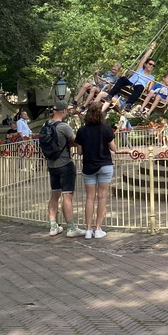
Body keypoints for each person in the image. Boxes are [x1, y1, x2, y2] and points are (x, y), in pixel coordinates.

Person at [74, 102, 117, 239]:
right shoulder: (106, 128)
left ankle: (88, 230)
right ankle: (98, 229)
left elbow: (79, 152)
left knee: (89, 198)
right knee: (102, 197)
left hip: (89, 166)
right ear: (101, 114)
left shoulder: (82, 130)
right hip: (104, 164)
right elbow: (113, 148)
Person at [44, 101, 85, 238]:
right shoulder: (64, 127)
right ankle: (71, 228)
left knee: (54, 195)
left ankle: (53, 226)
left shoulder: (46, 125)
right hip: (65, 164)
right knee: (67, 196)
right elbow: (76, 140)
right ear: (62, 111)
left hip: (51, 165)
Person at [105, 43, 157, 111]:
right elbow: (144, 58)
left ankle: (129, 104)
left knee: (141, 87)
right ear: (145, 64)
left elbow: (149, 89)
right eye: (150, 64)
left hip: (138, 86)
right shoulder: (140, 69)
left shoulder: (151, 77)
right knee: (123, 79)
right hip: (130, 82)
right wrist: (151, 49)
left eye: (153, 65)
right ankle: (110, 95)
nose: (151, 66)